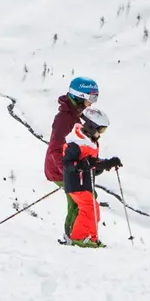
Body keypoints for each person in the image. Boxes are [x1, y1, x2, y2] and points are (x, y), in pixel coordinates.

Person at [45, 76, 99, 242]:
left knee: (83, 200)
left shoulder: (73, 116)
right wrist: (69, 175)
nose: (92, 102)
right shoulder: (65, 120)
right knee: (82, 202)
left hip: (69, 168)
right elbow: (55, 150)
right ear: (79, 96)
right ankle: (75, 237)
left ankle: (75, 236)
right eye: (91, 98)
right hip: (61, 169)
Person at [62, 106, 121, 248]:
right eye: (101, 130)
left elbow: (92, 164)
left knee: (93, 210)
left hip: (85, 183)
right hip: (76, 184)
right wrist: (81, 165)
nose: (101, 133)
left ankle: (90, 237)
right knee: (89, 209)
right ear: (91, 127)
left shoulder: (89, 142)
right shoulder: (76, 144)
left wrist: (108, 164)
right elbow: (67, 164)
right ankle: (79, 238)